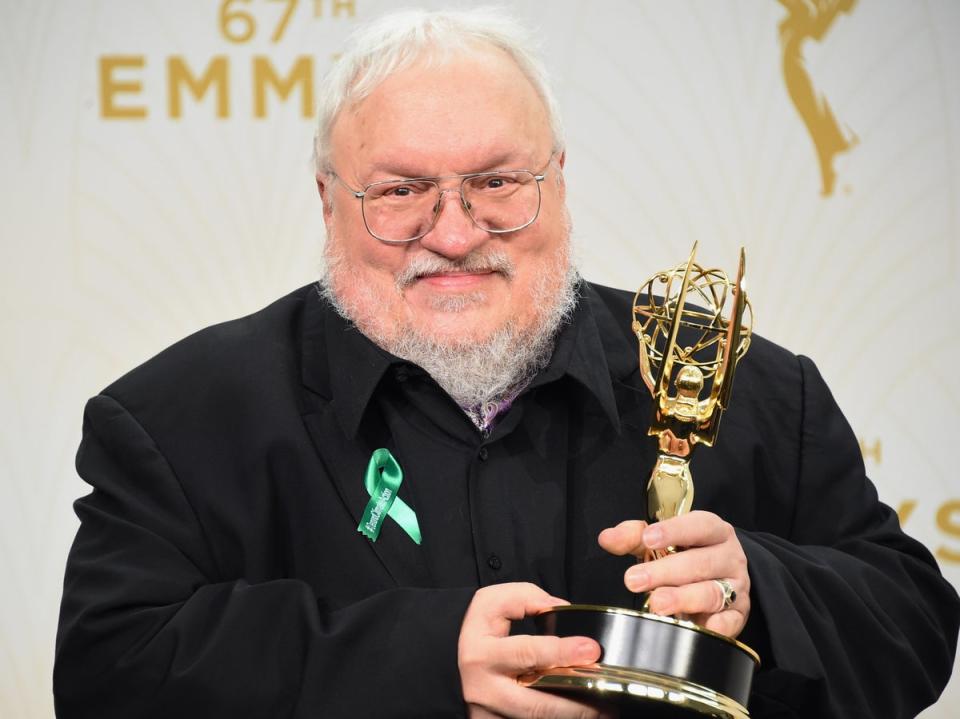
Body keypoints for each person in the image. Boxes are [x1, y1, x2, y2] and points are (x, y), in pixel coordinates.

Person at [54, 8, 958, 719]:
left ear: (556, 181)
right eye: (402, 192)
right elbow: (107, 675)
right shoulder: (177, 421)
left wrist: (759, 592)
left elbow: (914, 623)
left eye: (495, 183)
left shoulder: (749, 385)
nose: (453, 234)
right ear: (329, 202)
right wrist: (422, 657)